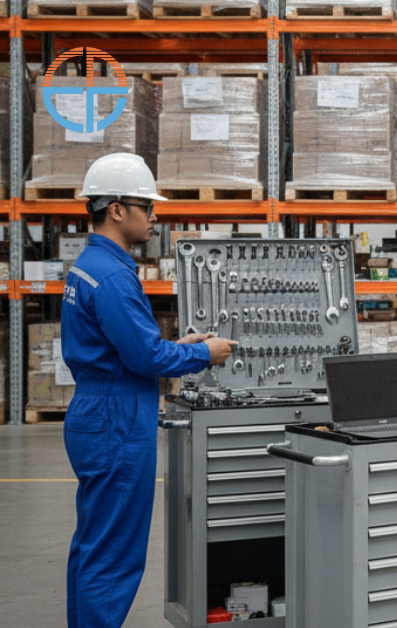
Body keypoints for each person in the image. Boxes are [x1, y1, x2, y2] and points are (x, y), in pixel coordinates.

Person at [61, 153, 237, 628]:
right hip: (116, 419)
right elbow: (144, 359)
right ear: (117, 209)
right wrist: (204, 354)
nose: (155, 216)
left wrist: (173, 345)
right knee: (114, 554)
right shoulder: (117, 277)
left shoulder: (90, 265)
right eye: (147, 205)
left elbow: (127, 348)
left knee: (94, 544)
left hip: (97, 409)